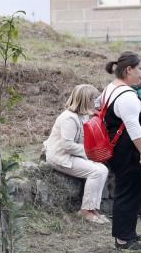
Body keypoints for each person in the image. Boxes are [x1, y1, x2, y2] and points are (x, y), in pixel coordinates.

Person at [100, 52, 141, 250]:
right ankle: (123, 239)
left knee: (131, 191)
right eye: (140, 68)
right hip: (130, 152)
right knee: (128, 192)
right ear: (128, 70)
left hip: (122, 150)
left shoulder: (111, 89)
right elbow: (133, 126)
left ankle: (129, 233)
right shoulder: (127, 96)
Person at [43, 84, 109, 224]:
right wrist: (90, 152)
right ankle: (85, 211)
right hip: (60, 157)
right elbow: (67, 145)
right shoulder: (69, 118)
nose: (96, 101)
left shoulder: (83, 116)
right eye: (93, 99)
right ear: (85, 100)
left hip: (73, 155)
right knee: (96, 172)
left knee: (103, 169)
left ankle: (93, 209)